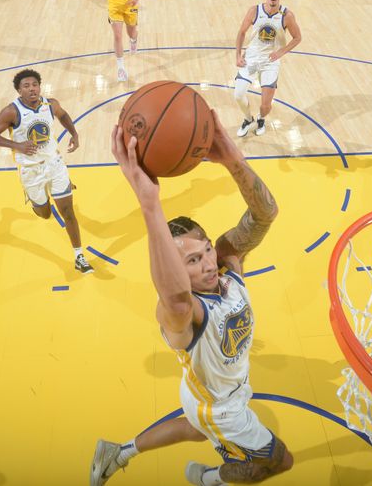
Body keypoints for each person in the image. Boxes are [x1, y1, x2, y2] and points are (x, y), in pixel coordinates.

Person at [91, 112, 293, 485]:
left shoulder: (228, 263)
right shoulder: (186, 314)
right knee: (280, 461)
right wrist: (150, 205)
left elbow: (266, 214)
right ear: (177, 269)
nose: (208, 263)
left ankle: (118, 453)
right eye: (193, 260)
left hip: (204, 394)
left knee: (193, 429)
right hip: (222, 409)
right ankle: (208, 479)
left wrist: (233, 158)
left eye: (206, 250)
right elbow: (174, 294)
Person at [0, 69, 94, 274]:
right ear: (19, 91)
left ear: (39, 86)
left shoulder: (50, 104)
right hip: (30, 171)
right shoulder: (11, 111)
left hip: (54, 165)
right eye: (26, 86)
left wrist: (74, 134)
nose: (31, 89)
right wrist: (17, 146)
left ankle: (79, 256)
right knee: (45, 214)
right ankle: (37, 198)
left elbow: (63, 115)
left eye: (34, 84)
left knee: (68, 212)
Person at [234, 0, 302, 137]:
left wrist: (281, 52)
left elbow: (297, 37)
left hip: (270, 62)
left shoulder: (287, 15)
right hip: (252, 59)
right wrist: (237, 55)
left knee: (265, 105)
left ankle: (261, 119)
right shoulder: (254, 11)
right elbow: (241, 32)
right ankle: (248, 119)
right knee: (238, 94)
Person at [99, 0, 148, 82]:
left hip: (130, 2)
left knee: (131, 32)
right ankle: (120, 68)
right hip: (114, 3)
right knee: (118, 35)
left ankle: (134, 39)